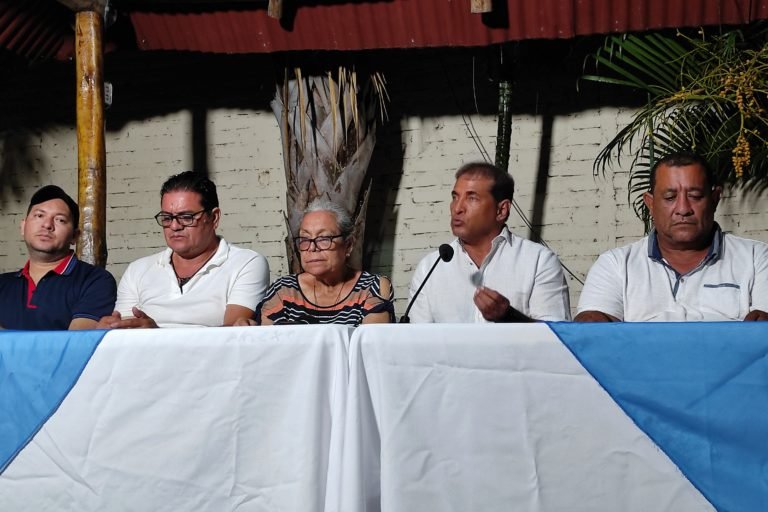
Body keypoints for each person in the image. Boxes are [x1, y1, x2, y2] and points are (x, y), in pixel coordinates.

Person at [576, 151, 768, 322]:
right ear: (650, 204)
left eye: (695, 196)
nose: (683, 209)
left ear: (715, 199)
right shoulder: (615, 265)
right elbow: (592, 339)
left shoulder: (756, 258)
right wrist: (591, 322)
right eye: (670, 198)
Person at [98, 171, 269, 328]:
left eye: (186, 217)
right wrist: (111, 328)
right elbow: (126, 332)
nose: (174, 226)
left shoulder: (246, 263)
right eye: (167, 218)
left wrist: (156, 334)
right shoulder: (138, 269)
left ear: (214, 218)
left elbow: (233, 334)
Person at [407, 162, 571, 323]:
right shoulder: (429, 268)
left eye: (472, 198)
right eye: (455, 197)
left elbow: (558, 340)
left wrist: (509, 316)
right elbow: (416, 343)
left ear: (501, 210)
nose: (457, 208)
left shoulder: (539, 262)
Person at [249, 199, 394, 326]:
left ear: (348, 245)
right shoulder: (283, 291)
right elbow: (269, 347)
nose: (312, 248)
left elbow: (370, 348)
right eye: (305, 240)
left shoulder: (373, 287)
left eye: (324, 239)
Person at [0, 185, 116, 330]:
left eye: (60, 220)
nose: (47, 225)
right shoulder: (3, 284)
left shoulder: (95, 280)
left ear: (74, 236)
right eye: (39, 215)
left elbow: (75, 344)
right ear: (23, 227)